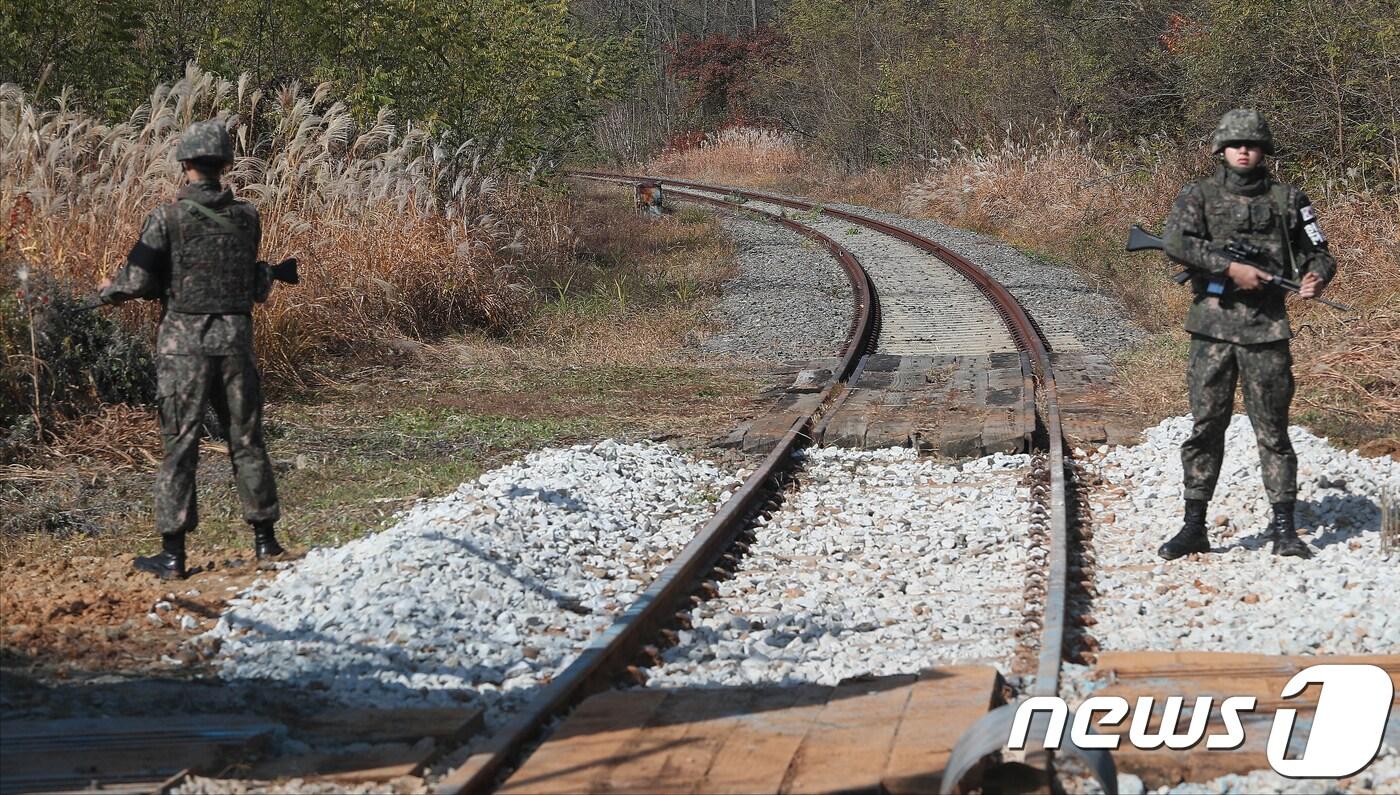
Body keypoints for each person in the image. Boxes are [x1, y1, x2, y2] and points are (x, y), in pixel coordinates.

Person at [99, 119, 287, 579]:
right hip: (235, 343)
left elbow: (138, 281)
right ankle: (266, 542)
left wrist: (106, 291)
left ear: (185, 164)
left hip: (184, 347)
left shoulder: (166, 218)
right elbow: (248, 282)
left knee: (180, 446)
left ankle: (173, 555)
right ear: (225, 164)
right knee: (245, 438)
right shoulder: (248, 216)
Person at [1156, 109, 1336, 562]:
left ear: (1264, 151)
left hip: (1266, 332)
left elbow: (1318, 251)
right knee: (1205, 427)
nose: (1243, 151)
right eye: (1235, 144)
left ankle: (1284, 527)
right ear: (1221, 149)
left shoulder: (1289, 199)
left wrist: (1315, 278)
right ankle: (1194, 525)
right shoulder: (1198, 195)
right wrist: (1230, 267)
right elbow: (1175, 242)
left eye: (1251, 145)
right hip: (1212, 331)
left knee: (1273, 431)